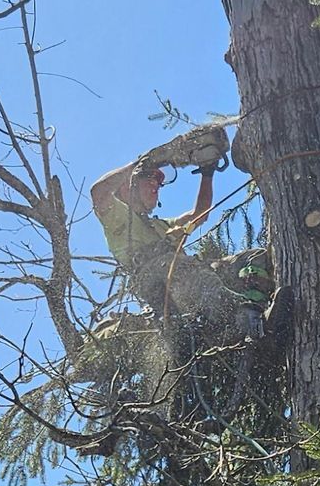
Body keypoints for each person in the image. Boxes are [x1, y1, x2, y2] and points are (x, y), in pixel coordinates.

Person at [90, 125, 270, 401]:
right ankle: (239, 317)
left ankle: (256, 312)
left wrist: (207, 172)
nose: (155, 187)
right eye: (149, 181)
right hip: (155, 281)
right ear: (129, 188)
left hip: (185, 276)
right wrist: (141, 162)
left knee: (252, 258)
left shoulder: (162, 226)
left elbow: (200, 214)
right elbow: (98, 191)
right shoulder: (117, 218)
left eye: (158, 184)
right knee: (178, 266)